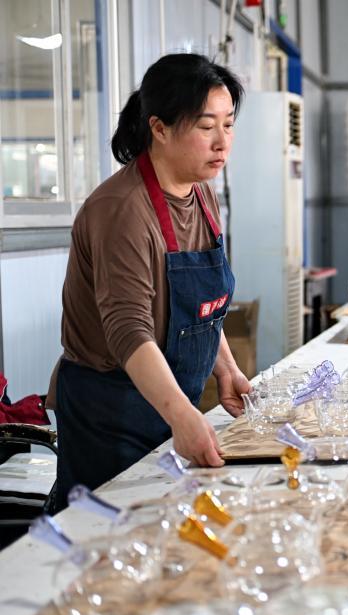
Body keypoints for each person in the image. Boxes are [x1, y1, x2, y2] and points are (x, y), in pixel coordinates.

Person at [46, 54, 250, 512]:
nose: (222, 143)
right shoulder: (122, 210)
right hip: (112, 413)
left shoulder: (202, 195)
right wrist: (181, 414)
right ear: (159, 128)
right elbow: (128, 329)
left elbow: (201, 306)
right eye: (206, 126)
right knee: (111, 534)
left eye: (228, 125)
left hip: (171, 399)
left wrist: (226, 369)